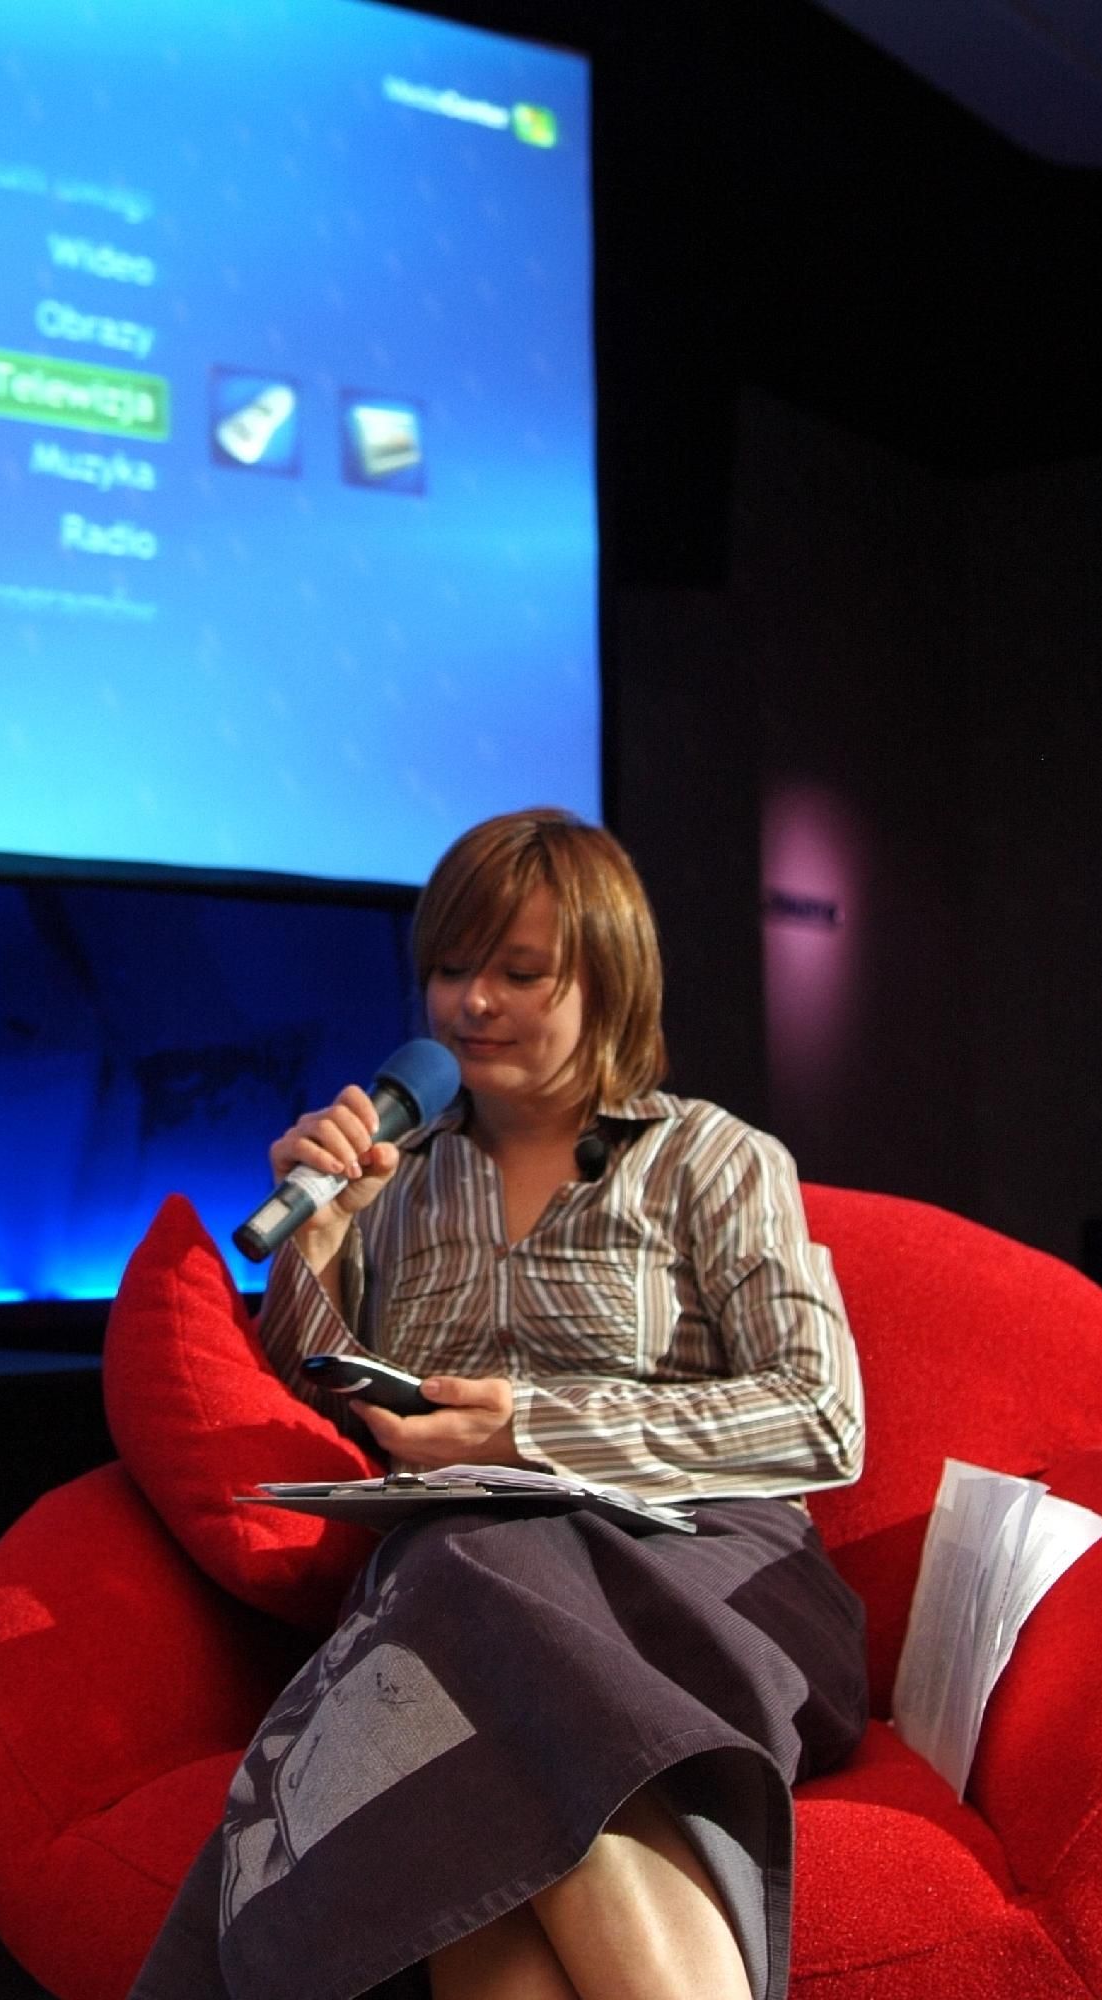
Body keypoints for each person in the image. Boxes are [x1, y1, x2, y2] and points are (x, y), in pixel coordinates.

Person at [129, 809, 867, 2000]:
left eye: (521, 972)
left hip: (697, 1565)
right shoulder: (399, 1176)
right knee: (476, 1719)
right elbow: (322, 1393)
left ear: (610, 983)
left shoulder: (715, 1158)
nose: (473, 1002)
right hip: (467, 1574)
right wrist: (321, 1239)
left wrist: (533, 1426)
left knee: (466, 1614)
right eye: (451, 967)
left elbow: (822, 1415)